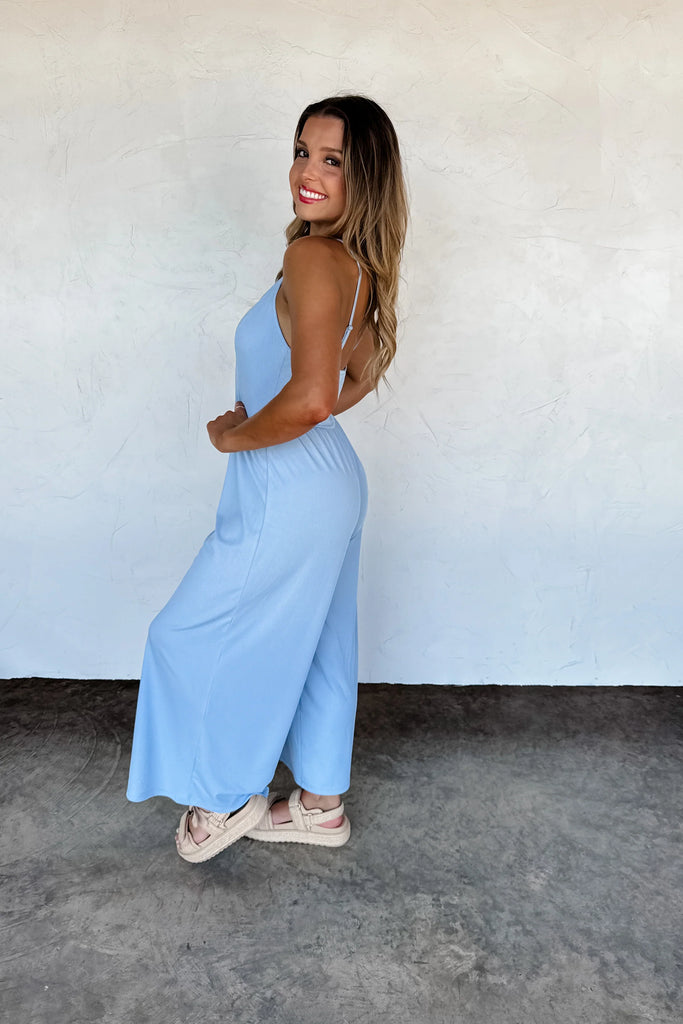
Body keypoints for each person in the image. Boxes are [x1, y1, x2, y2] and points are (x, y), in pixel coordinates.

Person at [126, 94, 408, 863]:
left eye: (332, 160)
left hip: (288, 486)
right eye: (301, 151)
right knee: (319, 643)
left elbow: (312, 398)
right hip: (327, 483)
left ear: (364, 177)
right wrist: (275, 427)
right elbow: (356, 377)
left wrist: (234, 437)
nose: (306, 172)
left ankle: (222, 797)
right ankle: (318, 806)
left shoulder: (313, 259)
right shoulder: (353, 266)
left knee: (186, 634)